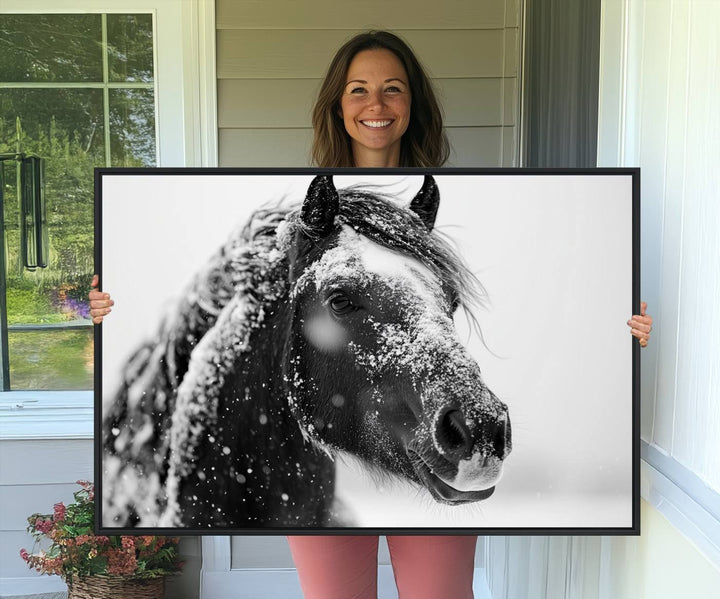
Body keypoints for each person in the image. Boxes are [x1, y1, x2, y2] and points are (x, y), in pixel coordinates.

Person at [89, 30, 653, 599]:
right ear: (338, 105)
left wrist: (626, 326)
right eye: (358, 90)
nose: (376, 105)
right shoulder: (306, 208)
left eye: (393, 89)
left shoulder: (467, 183)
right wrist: (107, 307)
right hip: (319, 463)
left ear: (413, 104)